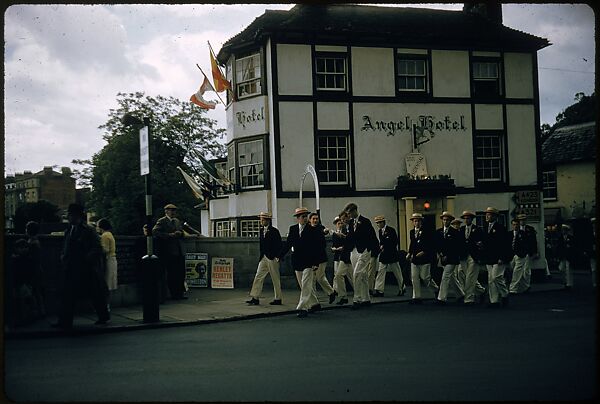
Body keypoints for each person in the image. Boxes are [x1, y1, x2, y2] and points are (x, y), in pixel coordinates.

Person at [53, 203, 110, 328]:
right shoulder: (69, 230)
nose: (68, 217)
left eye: (70, 215)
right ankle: (64, 321)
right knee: (67, 294)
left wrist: (87, 259)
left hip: (85, 268)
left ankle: (103, 316)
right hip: (71, 267)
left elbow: (97, 248)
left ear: (76, 216)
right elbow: (66, 246)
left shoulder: (88, 230)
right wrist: (64, 256)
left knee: (94, 294)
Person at [280, 207, 321, 318]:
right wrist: (280, 255)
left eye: (306, 216)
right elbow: (288, 244)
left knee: (306, 283)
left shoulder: (312, 230)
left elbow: (316, 248)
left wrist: (316, 263)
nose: (305, 219)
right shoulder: (293, 229)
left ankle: (302, 307)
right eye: (302, 217)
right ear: (297, 219)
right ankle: (315, 303)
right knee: (303, 285)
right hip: (297, 260)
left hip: (309, 261)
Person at [344, 202, 378, 310]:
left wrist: (373, 249)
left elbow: (372, 235)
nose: (348, 215)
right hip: (354, 251)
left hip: (364, 250)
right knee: (362, 275)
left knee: (357, 274)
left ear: (355, 211)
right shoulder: (350, 223)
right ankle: (366, 298)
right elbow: (349, 237)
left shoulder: (365, 221)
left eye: (349, 213)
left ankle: (357, 299)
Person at [246, 212, 283, 305]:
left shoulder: (275, 231)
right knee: (258, 276)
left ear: (268, 220)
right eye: (261, 219)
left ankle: (278, 298)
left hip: (272, 257)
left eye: (262, 220)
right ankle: (255, 297)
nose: (261, 221)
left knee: (275, 278)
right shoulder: (261, 230)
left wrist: (277, 256)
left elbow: (279, 245)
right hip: (263, 257)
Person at [152, 203, 187, 300]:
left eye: (174, 210)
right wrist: (170, 235)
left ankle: (179, 293)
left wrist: (180, 233)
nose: (173, 212)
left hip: (179, 250)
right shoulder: (162, 221)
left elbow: (182, 232)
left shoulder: (177, 221)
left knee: (180, 273)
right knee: (172, 274)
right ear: (166, 211)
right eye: (171, 210)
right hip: (169, 251)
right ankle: (173, 294)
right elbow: (155, 232)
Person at [482, 207, 511, 308]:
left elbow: (505, 244)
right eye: (486, 214)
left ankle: (504, 294)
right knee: (491, 279)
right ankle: (494, 301)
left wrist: (502, 257)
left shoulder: (500, 228)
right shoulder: (485, 228)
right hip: (489, 257)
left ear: (495, 216)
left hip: (499, 258)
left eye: (489, 214)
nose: (487, 216)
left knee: (496, 277)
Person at [407, 213, 438, 304]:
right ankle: (416, 297)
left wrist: (424, 251)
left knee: (425, 277)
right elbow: (412, 244)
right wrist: (409, 253)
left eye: (418, 221)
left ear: (421, 222)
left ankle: (436, 289)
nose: (416, 223)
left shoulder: (427, 231)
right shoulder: (412, 232)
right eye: (415, 221)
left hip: (425, 258)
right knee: (414, 277)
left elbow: (430, 244)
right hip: (415, 258)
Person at [435, 212, 464, 304]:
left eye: (447, 220)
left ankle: (441, 298)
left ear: (450, 221)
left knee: (445, 276)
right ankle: (460, 294)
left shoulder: (455, 232)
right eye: (444, 220)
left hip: (452, 258)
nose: (445, 221)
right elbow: (437, 245)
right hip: (443, 257)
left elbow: (456, 246)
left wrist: (447, 255)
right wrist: (440, 254)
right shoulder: (439, 232)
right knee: (451, 277)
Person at [373, 215, 405, 297]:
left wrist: (384, 246)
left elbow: (394, 242)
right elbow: (382, 241)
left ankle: (402, 287)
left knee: (397, 272)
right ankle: (379, 290)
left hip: (392, 254)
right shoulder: (380, 232)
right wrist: (381, 246)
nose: (378, 225)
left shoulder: (391, 230)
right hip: (384, 255)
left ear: (383, 222)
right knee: (381, 272)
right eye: (377, 223)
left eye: (379, 223)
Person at [459, 211, 486, 305]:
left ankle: (469, 298)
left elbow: (482, 242)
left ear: (472, 219)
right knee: (465, 275)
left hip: (474, 256)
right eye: (465, 218)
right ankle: (481, 291)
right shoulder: (461, 230)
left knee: (470, 277)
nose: (466, 220)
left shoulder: (477, 229)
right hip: (464, 256)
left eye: (468, 218)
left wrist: (480, 247)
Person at [310, 213, 337, 307]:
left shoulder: (320, 228)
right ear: (310, 220)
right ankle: (314, 300)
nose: (315, 220)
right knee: (313, 279)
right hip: (312, 257)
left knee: (320, 277)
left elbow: (322, 236)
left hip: (321, 257)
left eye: (316, 219)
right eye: (313, 219)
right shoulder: (309, 229)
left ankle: (331, 292)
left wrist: (324, 231)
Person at [25, 220, 46, 318]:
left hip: (34, 269)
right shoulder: (35, 241)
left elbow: (34, 257)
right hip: (36, 269)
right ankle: (39, 311)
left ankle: (39, 312)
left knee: (36, 291)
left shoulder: (33, 242)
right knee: (36, 291)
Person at [97, 218, 118, 311]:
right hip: (113, 259)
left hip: (108, 260)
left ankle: (105, 306)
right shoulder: (110, 234)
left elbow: (105, 249)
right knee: (109, 284)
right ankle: (107, 305)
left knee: (106, 284)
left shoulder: (104, 235)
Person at [331, 214, 353, 305]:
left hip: (349, 254)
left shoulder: (348, 229)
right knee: (338, 275)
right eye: (339, 222)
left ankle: (361, 294)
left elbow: (351, 240)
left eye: (342, 221)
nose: (341, 223)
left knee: (354, 275)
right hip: (343, 256)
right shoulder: (336, 233)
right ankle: (342, 295)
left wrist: (343, 237)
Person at [509, 218, 531, 294]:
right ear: (512, 225)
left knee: (517, 271)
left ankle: (513, 288)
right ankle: (525, 286)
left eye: (517, 225)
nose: (515, 226)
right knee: (515, 270)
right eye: (514, 225)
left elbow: (527, 244)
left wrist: (523, 253)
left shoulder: (523, 234)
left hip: (520, 255)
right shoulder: (509, 234)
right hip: (512, 255)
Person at [556, 224, 576, 289]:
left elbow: (573, 247)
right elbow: (558, 248)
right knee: (561, 268)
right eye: (563, 230)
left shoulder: (571, 238)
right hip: (562, 256)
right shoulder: (560, 238)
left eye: (565, 230)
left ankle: (569, 284)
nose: (564, 231)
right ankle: (565, 281)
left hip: (568, 256)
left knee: (568, 270)